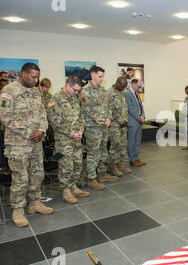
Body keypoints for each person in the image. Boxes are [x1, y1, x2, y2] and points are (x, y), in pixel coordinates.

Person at [0, 63, 54, 227]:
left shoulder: (35, 92)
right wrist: (28, 132)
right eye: (33, 76)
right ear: (23, 74)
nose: (36, 80)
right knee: (21, 178)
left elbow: (43, 114)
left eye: (38, 76)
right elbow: (5, 117)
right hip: (18, 144)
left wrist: (42, 131)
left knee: (37, 174)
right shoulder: (8, 91)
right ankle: (18, 210)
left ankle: (35, 203)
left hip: (36, 143)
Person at [47, 75, 89, 204]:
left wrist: (81, 130)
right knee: (66, 165)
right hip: (63, 140)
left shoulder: (75, 98)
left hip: (76, 139)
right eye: (75, 90)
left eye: (78, 90)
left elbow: (81, 116)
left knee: (77, 163)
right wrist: (71, 133)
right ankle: (66, 190)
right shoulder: (55, 99)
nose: (76, 92)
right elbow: (54, 121)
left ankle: (73, 186)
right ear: (68, 84)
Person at [81, 65, 117, 191]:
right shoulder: (85, 91)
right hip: (93, 127)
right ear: (92, 75)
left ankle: (102, 173)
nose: (102, 79)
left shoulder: (103, 91)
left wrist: (109, 118)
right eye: (100, 76)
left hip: (104, 126)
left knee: (103, 150)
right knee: (93, 152)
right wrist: (103, 120)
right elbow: (87, 109)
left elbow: (109, 106)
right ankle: (91, 178)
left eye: (103, 76)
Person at [108, 77, 132, 175]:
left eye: (125, 87)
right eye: (122, 86)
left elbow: (124, 108)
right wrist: (118, 121)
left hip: (123, 125)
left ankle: (120, 164)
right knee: (115, 145)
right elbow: (108, 110)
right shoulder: (109, 93)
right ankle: (113, 166)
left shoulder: (121, 93)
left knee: (123, 145)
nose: (123, 88)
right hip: (114, 125)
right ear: (117, 83)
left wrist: (125, 120)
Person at [125, 78, 146, 166]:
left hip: (139, 122)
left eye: (140, 87)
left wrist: (143, 116)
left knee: (137, 141)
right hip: (132, 122)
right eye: (138, 86)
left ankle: (136, 158)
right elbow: (130, 109)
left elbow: (141, 106)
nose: (139, 88)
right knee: (131, 142)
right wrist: (139, 117)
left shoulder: (137, 94)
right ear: (133, 84)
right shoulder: (127, 94)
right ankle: (132, 159)